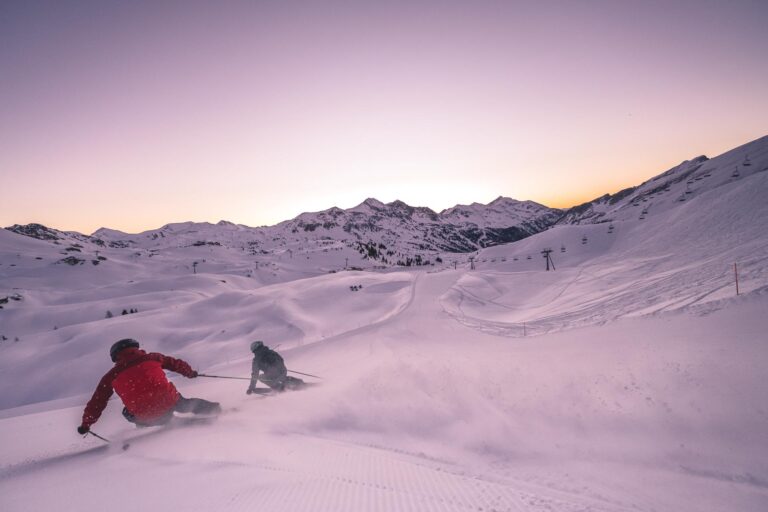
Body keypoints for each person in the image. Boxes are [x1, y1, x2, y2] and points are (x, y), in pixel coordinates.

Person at [77, 338, 221, 434]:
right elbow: (175, 364)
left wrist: (86, 425)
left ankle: (164, 422)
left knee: (127, 412)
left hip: (145, 413)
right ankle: (217, 410)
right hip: (170, 401)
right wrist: (190, 373)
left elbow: (97, 402)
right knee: (183, 402)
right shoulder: (153, 358)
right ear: (136, 348)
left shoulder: (111, 376)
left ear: (115, 357)